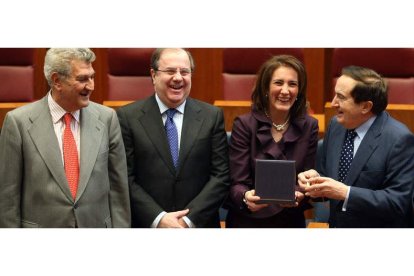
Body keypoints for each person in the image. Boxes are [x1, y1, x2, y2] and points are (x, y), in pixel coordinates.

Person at [0, 48, 131, 228]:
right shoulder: (18, 123)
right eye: (82, 79)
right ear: (57, 81)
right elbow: (8, 198)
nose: (91, 86)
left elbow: (119, 190)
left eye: (92, 77)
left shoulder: (107, 119)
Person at [116, 48, 230, 228]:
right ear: (153, 75)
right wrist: (159, 218)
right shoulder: (127, 117)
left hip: (199, 225)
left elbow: (221, 176)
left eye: (185, 72)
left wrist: (187, 221)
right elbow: (125, 177)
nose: (178, 77)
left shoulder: (212, 116)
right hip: (148, 225)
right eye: (170, 71)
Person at [298, 65, 414, 228]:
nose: (332, 103)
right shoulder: (336, 125)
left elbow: (399, 202)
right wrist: (315, 178)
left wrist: (346, 193)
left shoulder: (399, 140)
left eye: (341, 97)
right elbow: (329, 177)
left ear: (365, 106)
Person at [225, 55, 319, 228]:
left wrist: (298, 193)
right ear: (266, 88)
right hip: (248, 219)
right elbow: (237, 182)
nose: (285, 91)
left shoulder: (309, 126)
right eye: (278, 83)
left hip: (290, 219)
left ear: (299, 90)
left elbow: (308, 176)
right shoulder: (244, 125)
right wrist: (246, 197)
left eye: (292, 84)